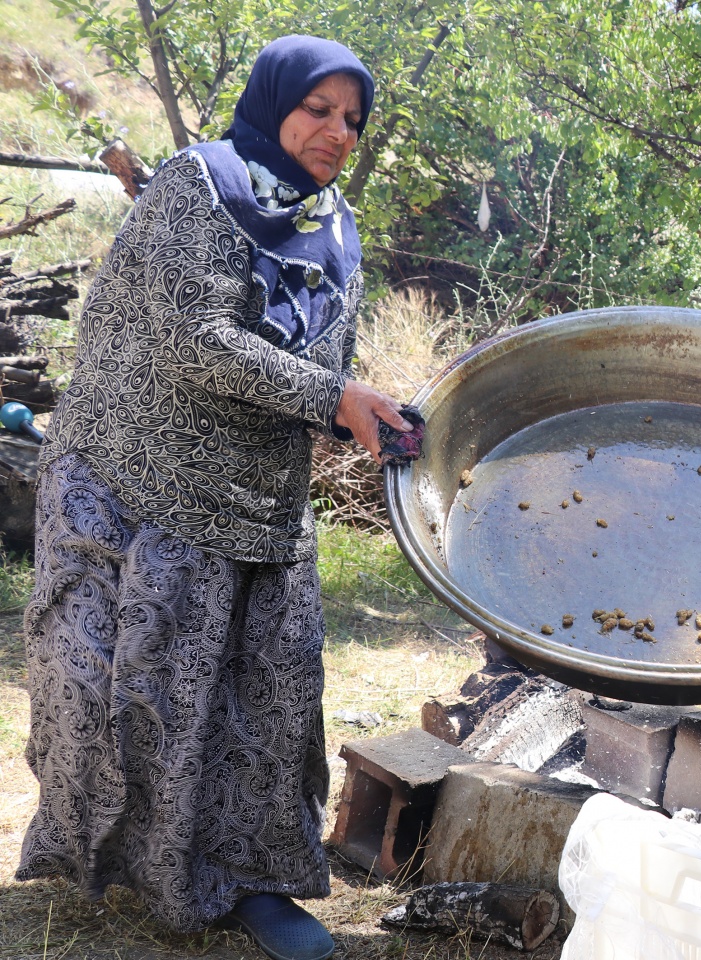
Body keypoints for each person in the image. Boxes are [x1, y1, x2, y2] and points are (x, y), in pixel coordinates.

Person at [18, 35, 412, 960]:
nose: (338, 132)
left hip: (258, 502)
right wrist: (333, 398)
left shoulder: (335, 224)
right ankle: (132, 863)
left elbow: (325, 357)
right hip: (133, 481)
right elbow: (195, 337)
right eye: (318, 109)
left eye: (353, 119)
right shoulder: (201, 184)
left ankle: (255, 883)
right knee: (120, 690)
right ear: (274, 103)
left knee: (268, 700)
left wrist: (370, 415)